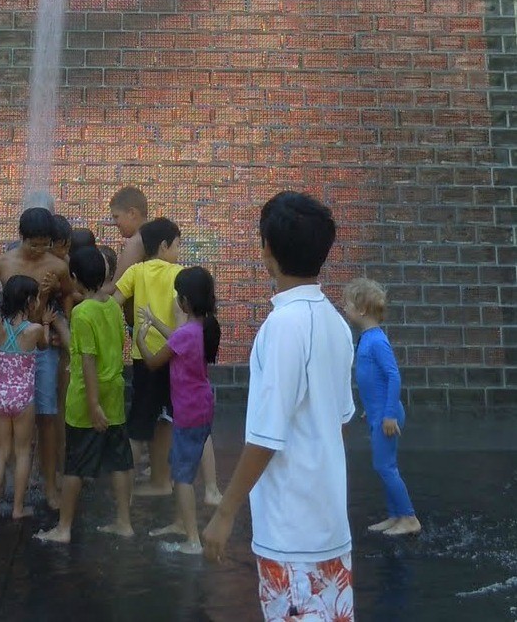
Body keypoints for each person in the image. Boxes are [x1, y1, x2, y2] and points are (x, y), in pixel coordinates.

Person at [203, 192, 356, 622]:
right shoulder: (335, 323)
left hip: (290, 533)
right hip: (328, 525)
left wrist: (225, 511)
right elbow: (340, 422)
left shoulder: (282, 327)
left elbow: (266, 436)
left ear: (267, 251)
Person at [35, 246, 134, 544]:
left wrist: (92, 405)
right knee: (119, 460)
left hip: (86, 397)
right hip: (114, 391)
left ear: (75, 278)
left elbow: (87, 360)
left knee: (75, 464)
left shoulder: (82, 312)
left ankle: (63, 528)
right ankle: (123, 522)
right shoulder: (113, 307)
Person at [0, 207, 74, 509]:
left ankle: (50, 487)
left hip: (42, 350)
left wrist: (56, 319)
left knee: (47, 416)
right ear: (21, 237)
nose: (39, 250)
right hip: (12, 351)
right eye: (33, 243)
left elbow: (68, 295)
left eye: (44, 244)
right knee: (0, 415)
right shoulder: (0, 264)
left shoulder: (58, 265)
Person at [135, 266, 220, 554]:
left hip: (188, 411)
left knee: (182, 476)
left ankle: (193, 540)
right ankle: (179, 522)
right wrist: (157, 322)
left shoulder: (186, 335)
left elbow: (154, 362)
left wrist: (140, 340)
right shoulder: (201, 328)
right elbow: (177, 338)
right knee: (182, 464)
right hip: (203, 406)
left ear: (184, 301)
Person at [344, 276, 421, 537]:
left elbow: (393, 375)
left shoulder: (376, 341)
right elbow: (372, 379)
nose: (344, 308)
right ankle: (395, 515)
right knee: (385, 465)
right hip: (378, 412)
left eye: (348, 304)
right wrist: (371, 407)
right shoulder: (367, 338)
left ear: (362, 309)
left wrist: (388, 414)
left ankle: (409, 517)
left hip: (387, 415)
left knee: (384, 466)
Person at [113, 217, 183, 495]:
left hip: (143, 357)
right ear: (164, 245)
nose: (179, 250)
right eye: (177, 244)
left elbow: (114, 303)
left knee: (139, 425)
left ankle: (127, 493)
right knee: (166, 418)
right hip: (170, 356)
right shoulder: (180, 273)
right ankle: (161, 480)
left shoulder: (136, 272)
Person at [0, 275, 48, 519]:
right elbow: (43, 346)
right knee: (23, 452)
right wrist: (46, 323)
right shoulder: (34, 330)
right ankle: (18, 508)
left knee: (2, 451)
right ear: (30, 301)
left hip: (0, 395)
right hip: (23, 397)